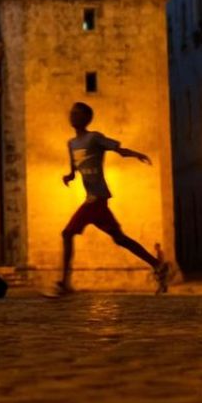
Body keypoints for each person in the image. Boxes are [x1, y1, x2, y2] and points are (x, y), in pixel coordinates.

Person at [53, 102, 166, 295]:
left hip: (96, 199)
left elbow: (118, 150)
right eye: (71, 113)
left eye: (77, 114)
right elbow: (75, 169)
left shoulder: (94, 138)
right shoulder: (71, 144)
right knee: (120, 239)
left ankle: (65, 282)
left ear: (86, 118)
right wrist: (69, 177)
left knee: (67, 233)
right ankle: (157, 264)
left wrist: (136, 154)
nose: (72, 116)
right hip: (93, 200)